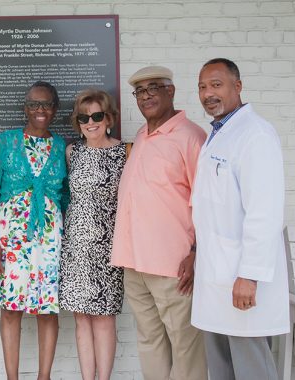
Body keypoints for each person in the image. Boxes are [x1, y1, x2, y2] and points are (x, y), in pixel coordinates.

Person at [192, 58, 288, 380]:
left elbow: (265, 211)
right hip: (216, 278)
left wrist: (249, 275)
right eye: (203, 87)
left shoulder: (255, 134)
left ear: (238, 86)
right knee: (221, 369)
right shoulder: (219, 134)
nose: (208, 93)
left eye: (216, 85)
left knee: (251, 369)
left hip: (242, 279)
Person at [110, 66, 208, 380]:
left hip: (173, 265)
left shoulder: (191, 137)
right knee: (149, 340)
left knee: (185, 344)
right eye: (140, 90)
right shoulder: (142, 135)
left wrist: (196, 252)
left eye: (155, 87)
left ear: (171, 91)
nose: (147, 95)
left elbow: (206, 202)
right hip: (134, 261)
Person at [0, 81, 68, 380]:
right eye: (34, 104)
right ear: (25, 108)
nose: (40, 110)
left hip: (50, 239)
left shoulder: (61, 148)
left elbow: (67, 198)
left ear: (55, 109)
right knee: (11, 307)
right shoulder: (5, 143)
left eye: (46, 104)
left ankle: (43, 377)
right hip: (12, 238)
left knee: (47, 309)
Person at [59, 88, 126, 380]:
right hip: (75, 247)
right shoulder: (73, 152)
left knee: (103, 317)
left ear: (108, 118)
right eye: (84, 118)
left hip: (108, 246)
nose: (91, 122)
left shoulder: (124, 151)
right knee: (81, 317)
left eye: (97, 116)